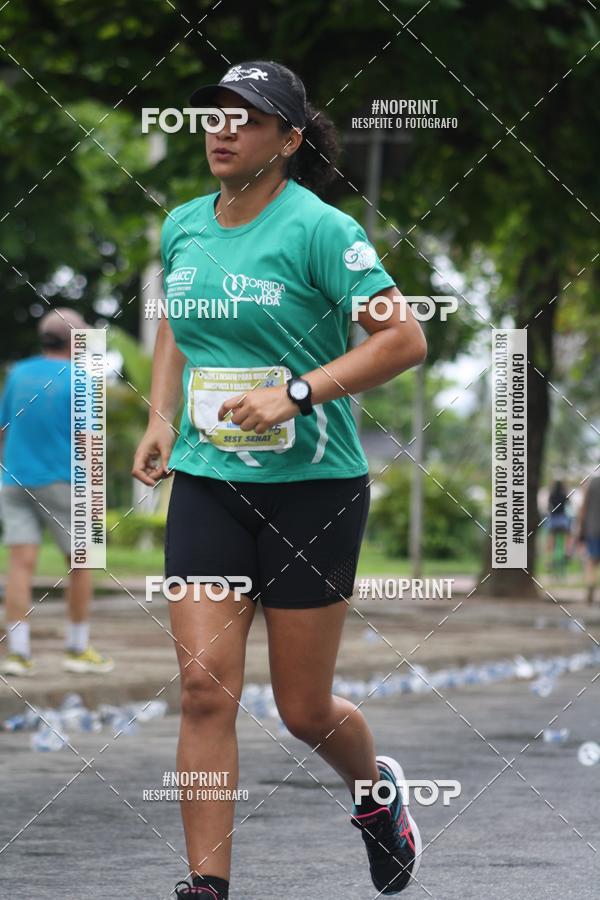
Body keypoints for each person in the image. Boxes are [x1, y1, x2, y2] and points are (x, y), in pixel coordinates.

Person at [133, 60, 427, 899]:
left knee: (303, 709)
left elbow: (404, 341)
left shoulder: (323, 232)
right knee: (201, 687)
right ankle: (206, 886)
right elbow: (178, 321)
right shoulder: (184, 225)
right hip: (209, 480)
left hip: (314, 489)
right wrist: (161, 415)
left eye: (246, 118)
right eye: (214, 116)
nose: (221, 131)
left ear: (289, 140)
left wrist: (297, 391)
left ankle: (376, 796)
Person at [0, 308, 113, 676]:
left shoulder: (17, 373)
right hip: (67, 484)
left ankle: (18, 654)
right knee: (82, 565)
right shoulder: (83, 378)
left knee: (20, 564)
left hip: (15, 480)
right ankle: (77, 649)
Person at [576, 475, 600, 604]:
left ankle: (591, 583)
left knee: (591, 559)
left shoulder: (592, 483)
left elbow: (583, 507)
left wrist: (581, 527)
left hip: (593, 528)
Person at [546, 479, 572, 566]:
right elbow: (569, 503)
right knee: (567, 535)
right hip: (562, 518)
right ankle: (567, 552)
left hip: (553, 518)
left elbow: (548, 505)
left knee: (552, 537)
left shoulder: (552, 494)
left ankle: (550, 556)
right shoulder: (563, 494)